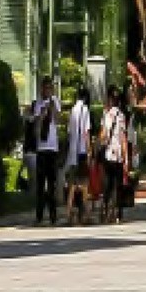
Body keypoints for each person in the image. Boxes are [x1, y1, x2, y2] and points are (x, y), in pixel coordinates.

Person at [28, 80, 60, 224]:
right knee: (40, 184)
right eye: (44, 88)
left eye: (49, 88)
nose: (46, 91)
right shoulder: (38, 104)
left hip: (52, 147)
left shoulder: (55, 101)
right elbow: (36, 127)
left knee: (52, 183)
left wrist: (52, 109)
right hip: (41, 148)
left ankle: (53, 215)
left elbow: (57, 120)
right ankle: (39, 215)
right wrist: (41, 115)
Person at [99, 86, 132, 220]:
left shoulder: (105, 114)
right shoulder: (121, 116)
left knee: (108, 183)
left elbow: (102, 136)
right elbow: (123, 138)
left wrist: (103, 140)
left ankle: (105, 209)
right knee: (118, 184)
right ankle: (118, 212)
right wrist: (126, 158)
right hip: (118, 154)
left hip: (108, 153)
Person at [65, 86, 90, 222]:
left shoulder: (73, 110)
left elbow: (69, 132)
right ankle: (85, 213)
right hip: (81, 150)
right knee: (84, 183)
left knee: (72, 184)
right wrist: (89, 149)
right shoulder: (85, 109)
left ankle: (69, 212)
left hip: (72, 151)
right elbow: (86, 132)